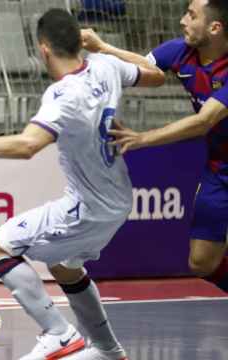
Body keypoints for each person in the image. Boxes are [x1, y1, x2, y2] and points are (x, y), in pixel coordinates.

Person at [0, 8, 164, 360]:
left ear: (43, 49)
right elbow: (157, 77)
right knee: (65, 266)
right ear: (79, 40)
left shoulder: (62, 95)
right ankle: (106, 349)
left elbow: (27, 145)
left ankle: (58, 333)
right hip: (117, 197)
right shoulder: (106, 66)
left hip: (87, 206)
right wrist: (105, 47)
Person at [82, 0, 228, 294]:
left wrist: (142, 139)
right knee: (202, 263)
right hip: (219, 169)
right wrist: (101, 47)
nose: (182, 21)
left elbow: (204, 121)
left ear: (214, 27)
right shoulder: (182, 50)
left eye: (191, 15)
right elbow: (143, 65)